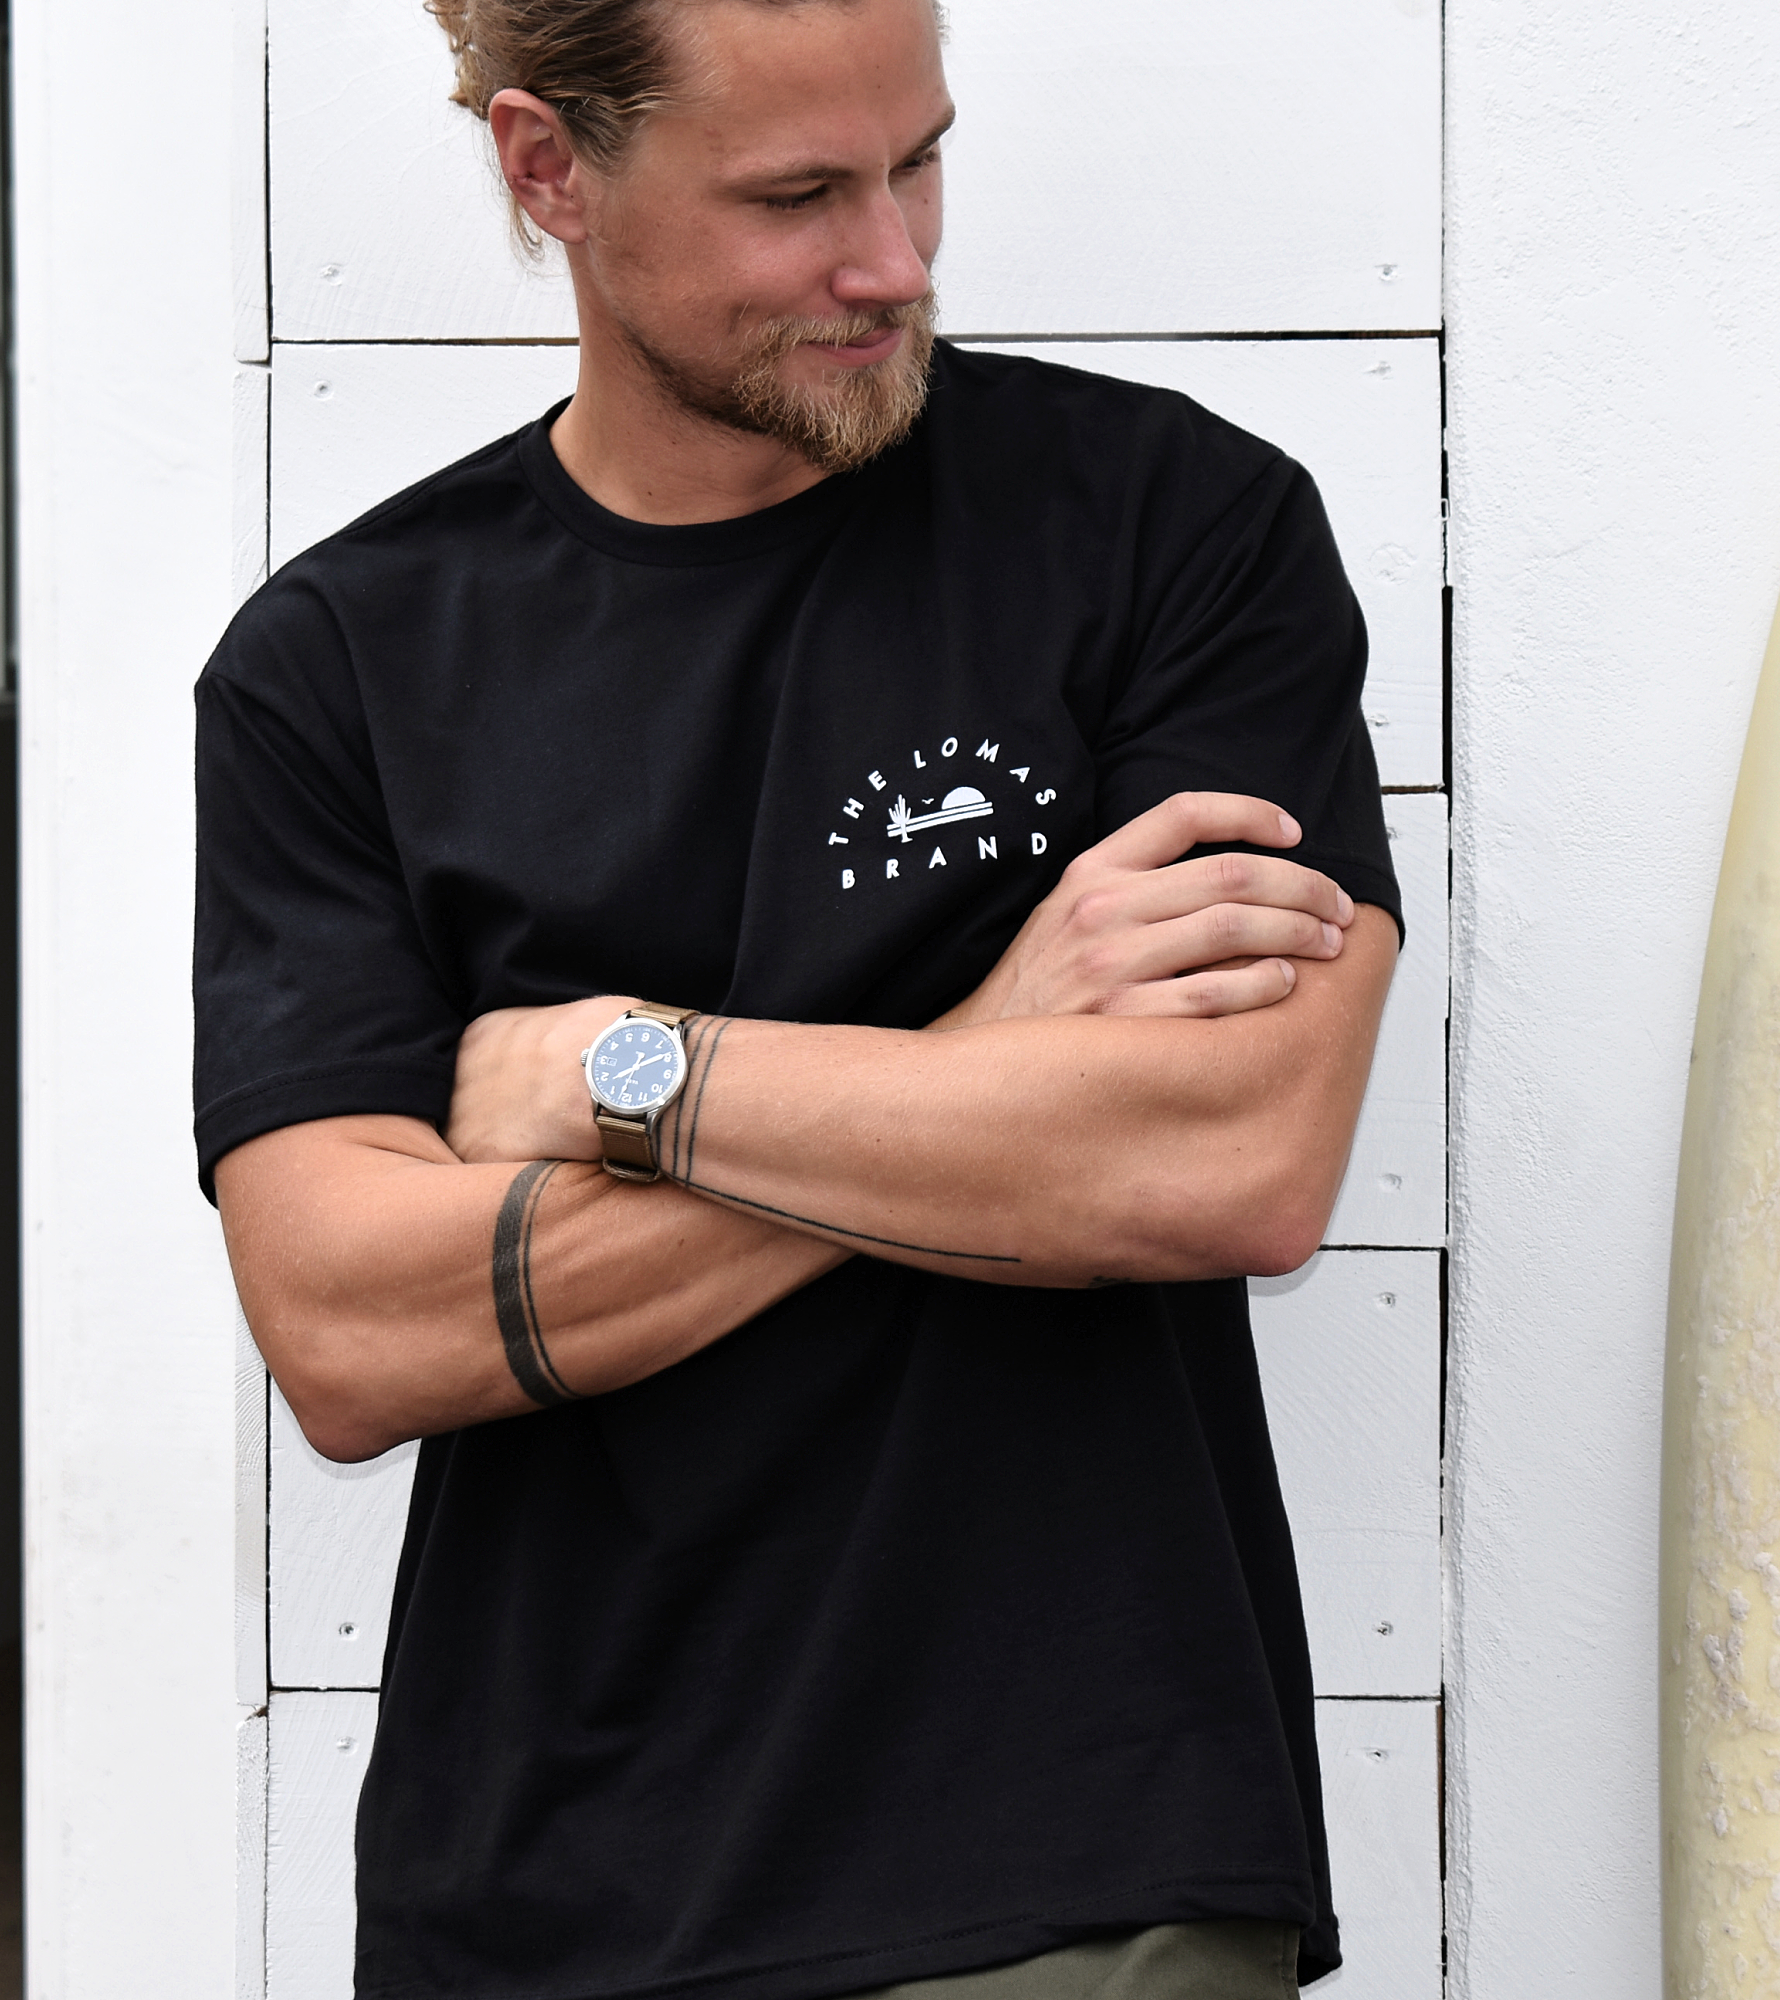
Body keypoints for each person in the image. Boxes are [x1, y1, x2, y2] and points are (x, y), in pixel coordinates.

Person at [193, 0, 1402, 1993]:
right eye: (797, 196)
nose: (894, 258)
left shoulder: (1171, 533)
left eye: (918, 159)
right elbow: (346, 1324)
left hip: (1079, 1867)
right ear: (546, 168)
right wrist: (988, 1068)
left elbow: (1232, 1156)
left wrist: (610, 1074)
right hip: (533, 1896)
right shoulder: (342, 668)